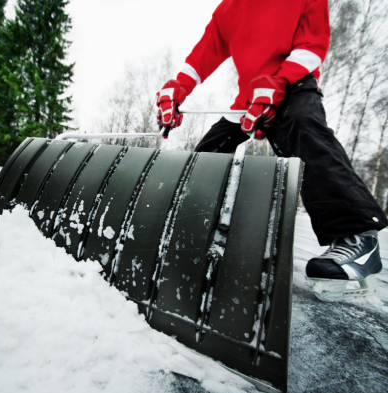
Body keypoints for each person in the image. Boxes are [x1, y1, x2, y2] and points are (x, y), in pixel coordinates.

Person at [156, 0, 387, 301]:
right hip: (248, 100)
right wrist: (178, 85)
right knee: (207, 155)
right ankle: (188, 230)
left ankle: (357, 238)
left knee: (303, 127)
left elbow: (313, 43)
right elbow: (205, 52)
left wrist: (279, 81)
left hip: (293, 85)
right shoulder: (230, 7)